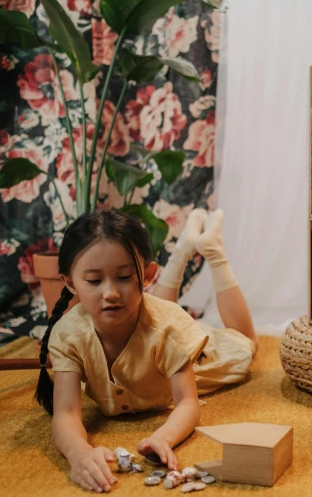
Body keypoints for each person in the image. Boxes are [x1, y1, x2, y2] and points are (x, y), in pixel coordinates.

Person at [36, 209, 256, 492]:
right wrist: (79, 455)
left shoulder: (169, 329)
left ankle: (212, 251)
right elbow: (65, 415)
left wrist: (164, 436)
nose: (111, 293)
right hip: (156, 326)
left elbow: (187, 403)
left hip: (201, 358)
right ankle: (183, 251)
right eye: (94, 281)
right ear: (70, 283)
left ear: (147, 274)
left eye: (126, 276)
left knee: (247, 343)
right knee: (153, 316)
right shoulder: (68, 335)